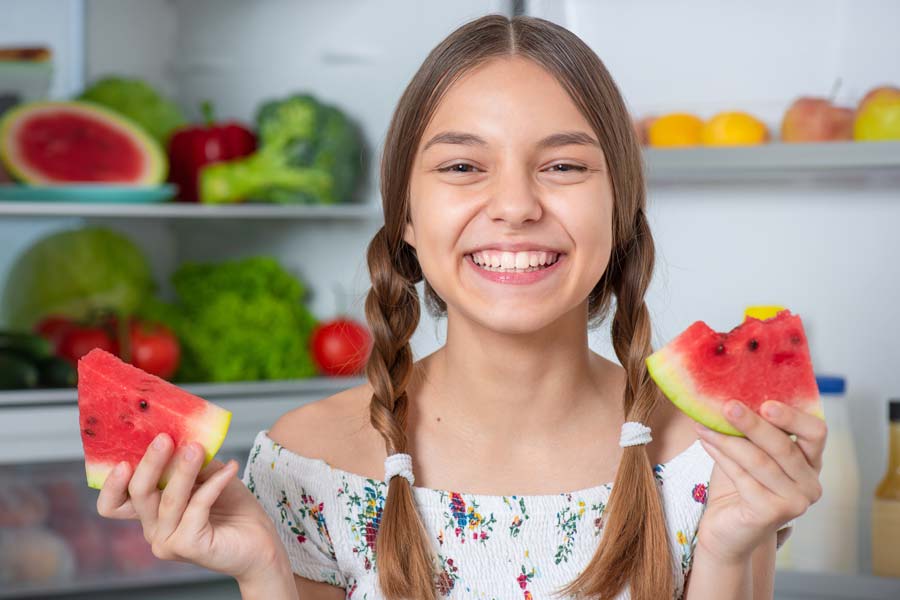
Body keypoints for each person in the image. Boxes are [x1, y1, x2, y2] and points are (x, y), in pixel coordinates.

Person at [95, 14, 826, 600]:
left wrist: (733, 545)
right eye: (462, 167)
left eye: (564, 166)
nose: (514, 206)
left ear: (621, 208)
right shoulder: (307, 466)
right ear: (406, 216)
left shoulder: (715, 460)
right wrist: (263, 574)